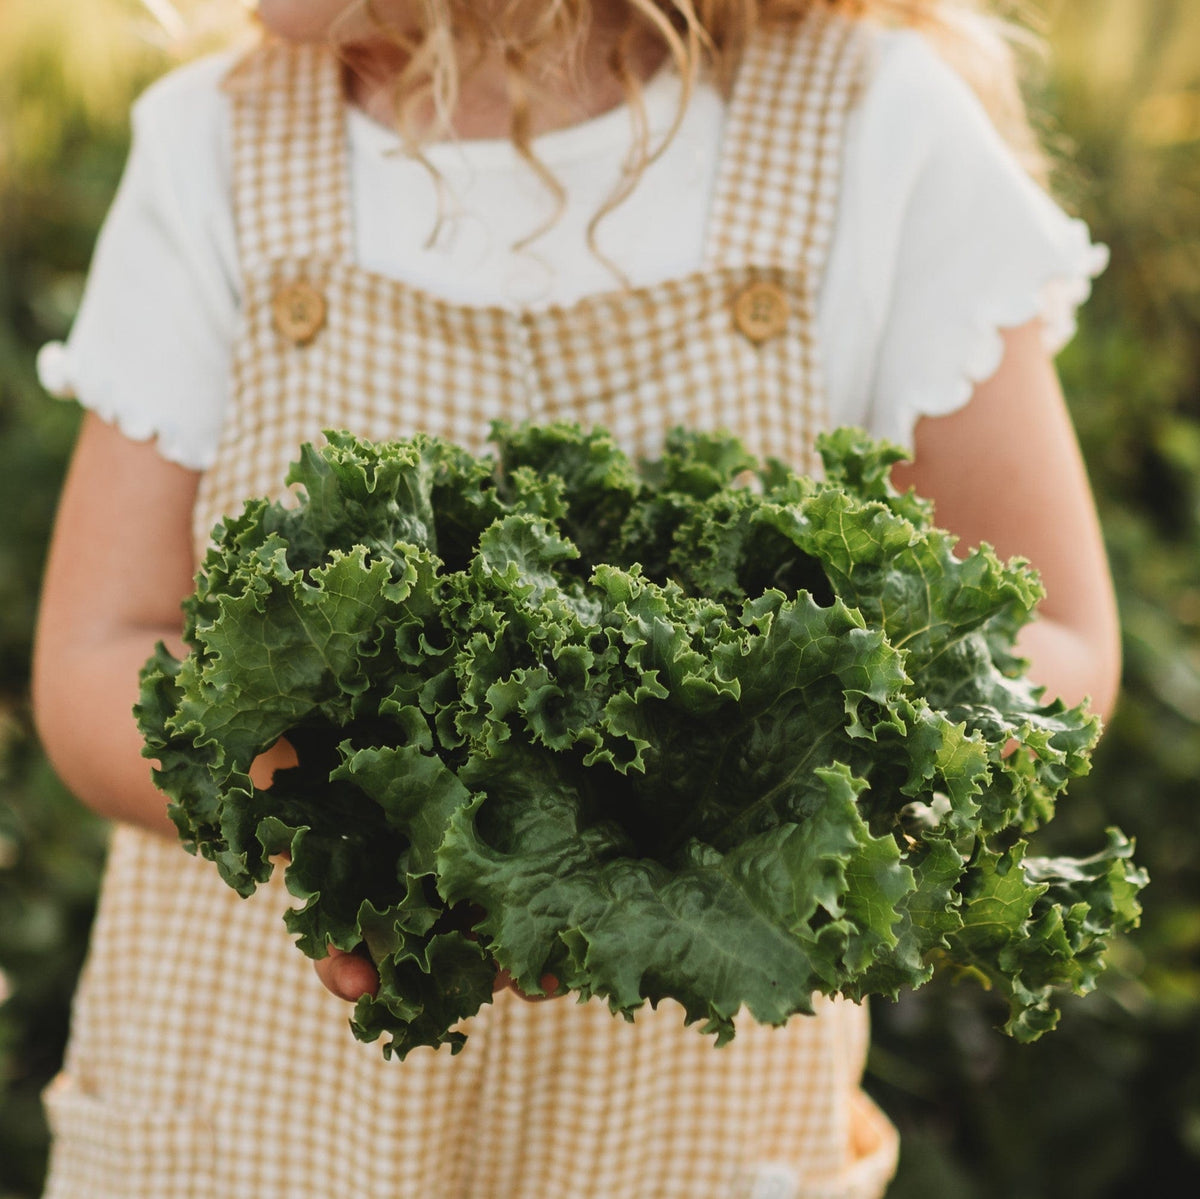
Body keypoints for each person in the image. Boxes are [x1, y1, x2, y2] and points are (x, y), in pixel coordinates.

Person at [30, 0, 1121, 1195]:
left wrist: (752, 791)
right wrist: (380, 827)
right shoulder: (222, 147)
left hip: (688, 1133)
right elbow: (97, 651)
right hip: (254, 1113)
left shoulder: (874, 128)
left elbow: (1046, 639)